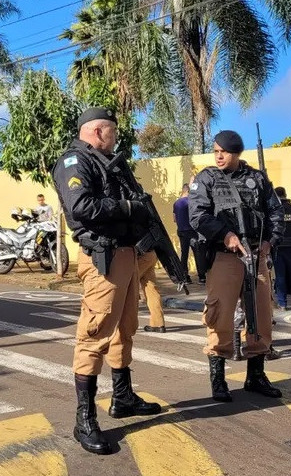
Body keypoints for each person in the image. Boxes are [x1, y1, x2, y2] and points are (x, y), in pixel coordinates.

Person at [52, 107, 160, 455]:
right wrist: (129, 209)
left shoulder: (110, 162)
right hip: (103, 258)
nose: (116, 137)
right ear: (98, 131)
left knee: (125, 328)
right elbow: (82, 206)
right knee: (95, 333)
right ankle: (84, 419)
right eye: (113, 131)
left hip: (127, 255)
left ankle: (123, 397)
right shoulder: (74, 162)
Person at [188, 130, 285, 402]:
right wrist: (225, 235)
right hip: (224, 256)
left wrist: (270, 241)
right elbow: (197, 216)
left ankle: (256, 375)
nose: (218, 155)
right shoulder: (207, 178)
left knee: (261, 315)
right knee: (220, 314)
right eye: (216, 150)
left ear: (237, 153)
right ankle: (218, 380)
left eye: (224, 151)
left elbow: (275, 212)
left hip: (256, 255)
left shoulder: (257, 178)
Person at [173, 183, 206, 284]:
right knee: (197, 252)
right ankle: (201, 277)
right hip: (191, 231)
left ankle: (185, 277)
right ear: (188, 191)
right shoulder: (191, 202)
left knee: (184, 254)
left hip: (181, 231)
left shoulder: (176, 203)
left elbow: (174, 219)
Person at [138, 250, 166, 333]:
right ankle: (158, 323)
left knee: (128, 287)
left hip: (138, 255)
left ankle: (125, 325)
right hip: (151, 253)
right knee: (151, 289)